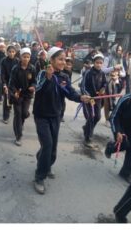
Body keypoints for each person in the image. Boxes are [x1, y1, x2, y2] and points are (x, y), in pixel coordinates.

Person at [32, 46, 91, 194]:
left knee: (52, 147)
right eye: (60, 59)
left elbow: (70, 93)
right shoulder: (42, 74)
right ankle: (39, 177)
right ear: (51, 60)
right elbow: (38, 89)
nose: (63, 62)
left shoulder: (64, 77)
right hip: (41, 115)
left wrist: (81, 97)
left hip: (56, 115)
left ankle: (45, 162)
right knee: (47, 144)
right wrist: (48, 77)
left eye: (64, 59)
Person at [8, 48, 36, 145]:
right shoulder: (15, 68)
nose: (26, 59)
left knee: (24, 113)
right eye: (24, 57)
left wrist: (33, 86)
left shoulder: (32, 68)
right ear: (20, 57)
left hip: (27, 95)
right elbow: (11, 83)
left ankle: (21, 123)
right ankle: (18, 136)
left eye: (28, 57)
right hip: (17, 95)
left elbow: (35, 81)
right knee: (18, 114)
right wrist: (14, 92)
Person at [81, 53, 109, 148]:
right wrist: (87, 95)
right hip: (88, 99)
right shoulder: (88, 73)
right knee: (90, 117)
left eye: (101, 63)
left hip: (97, 99)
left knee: (97, 117)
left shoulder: (103, 74)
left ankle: (87, 128)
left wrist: (103, 88)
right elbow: (83, 86)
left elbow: (105, 83)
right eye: (97, 62)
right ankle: (88, 138)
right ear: (94, 62)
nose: (99, 65)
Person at [0, 45, 18, 124]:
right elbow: (2, 74)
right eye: (10, 52)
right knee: (7, 100)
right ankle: (5, 117)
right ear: (7, 52)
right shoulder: (3, 61)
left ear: (15, 52)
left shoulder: (18, 61)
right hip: (7, 83)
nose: (11, 53)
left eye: (13, 52)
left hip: (16, 84)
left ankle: (18, 119)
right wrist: (4, 84)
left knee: (15, 100)